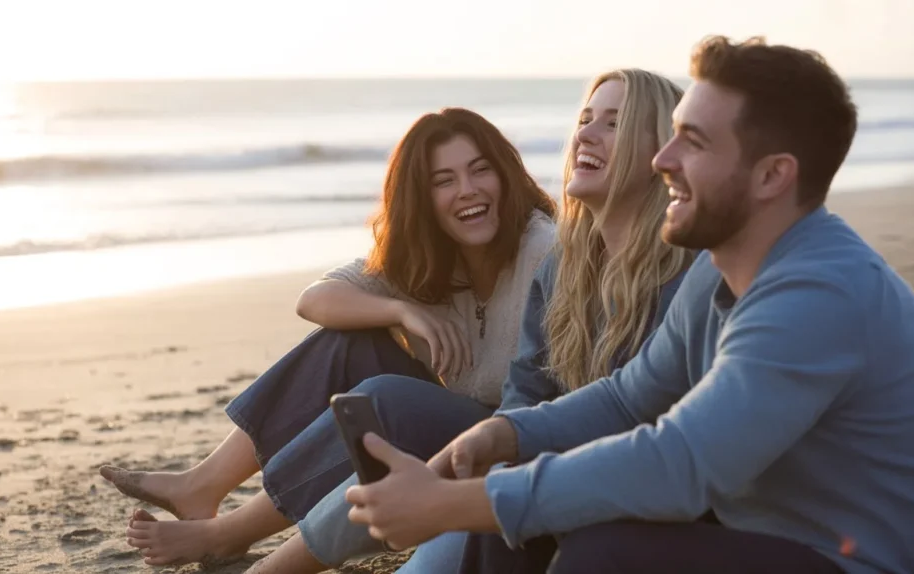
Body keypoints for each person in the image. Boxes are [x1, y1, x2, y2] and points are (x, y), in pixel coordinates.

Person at [344, 36, 914, 574]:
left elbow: (680, 464)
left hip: (849, 561)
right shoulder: (720, 268)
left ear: (772, 176)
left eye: (693, 142)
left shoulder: (818, 294)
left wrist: (452, 504)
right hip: (758, 539)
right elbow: (627, 398)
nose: (663, 159)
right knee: (521, 509)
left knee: (604, 551)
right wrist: (502, 436)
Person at [241, 69, 696, 574]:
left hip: (615, 497)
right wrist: (477, 453)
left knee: (407, 418)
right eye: (585, 119)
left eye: (614, 123)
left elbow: (639, 418)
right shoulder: (563, 267)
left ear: (664, 153)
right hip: (528, 470)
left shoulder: (686, 274)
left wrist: (480, 464)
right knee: (357, 362)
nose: (586, 134)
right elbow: (526, 391)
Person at [99, 107, 559, 567]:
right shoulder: (428, 260)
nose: (468, 189)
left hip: (512, 444)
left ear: (505, 175)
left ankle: (228, 534)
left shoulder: (544, 251)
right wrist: (403, 310)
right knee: (348, 345)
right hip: (456, 424)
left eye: (480, 170)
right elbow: (315, 299)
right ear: (421, 198)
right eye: (444, 181)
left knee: (382, 401)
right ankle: (204, 486)